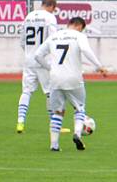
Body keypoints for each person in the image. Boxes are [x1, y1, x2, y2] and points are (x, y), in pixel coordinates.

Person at [34, 17, 108, 151]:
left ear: (69, 24)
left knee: (57, 112)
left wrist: (49, 67)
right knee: (79, 108)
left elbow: (38, 55)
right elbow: (86, 50)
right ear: (79, 26)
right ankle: (77, 133)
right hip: (74, 78)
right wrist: (99, 66)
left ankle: (54, 145)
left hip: (55, 79)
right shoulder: (79, 36)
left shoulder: (54, 36)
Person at [16, 0, 58, 133]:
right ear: (51, 6)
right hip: (44, 61)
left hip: (29, 60)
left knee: (26, 91)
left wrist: (29, 52)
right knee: (49, 92)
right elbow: (54, 39)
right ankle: (54, 124)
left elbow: (22, 41)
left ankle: (20, 122)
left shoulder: (29, 16)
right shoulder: (50, 18)